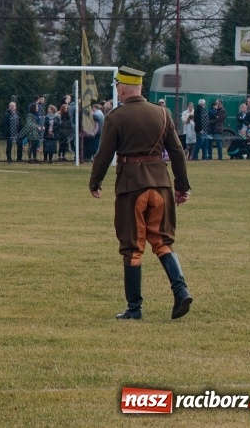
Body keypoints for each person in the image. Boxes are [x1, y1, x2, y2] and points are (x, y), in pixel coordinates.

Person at [89, 66, 192, 321]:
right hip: (161, 186)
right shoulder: (162, 113)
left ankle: (134, 308)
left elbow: (104, 155)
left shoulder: (116, 117)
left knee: (133, 247)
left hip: (132, 188)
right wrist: (181, 186)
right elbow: (177, 152)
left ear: (121, 89)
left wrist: (95, 182)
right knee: (162, 242)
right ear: (141, 87)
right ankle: (181, 290)